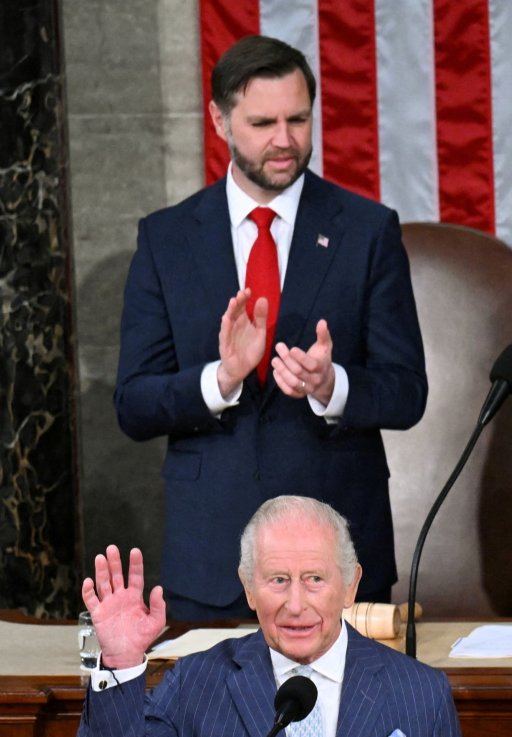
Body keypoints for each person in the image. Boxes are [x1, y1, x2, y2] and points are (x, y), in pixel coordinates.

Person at [113, 36, 428, 622]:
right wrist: (221, 378)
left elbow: (407, 391)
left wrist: (331, 384)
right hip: (212, 561)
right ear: (219, 119)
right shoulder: (167, 239)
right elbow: (134, 404)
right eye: (262, 122)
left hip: (337, 558)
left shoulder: (367, 231)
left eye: (298, 119)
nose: (284, 140)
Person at [74, 495, 469, 737]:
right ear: (248, 588)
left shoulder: (422, 694)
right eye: (278, 581)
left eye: (314, 579)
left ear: (350, 586)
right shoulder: (198, 682)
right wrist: (122, 662)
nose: (295, 605)